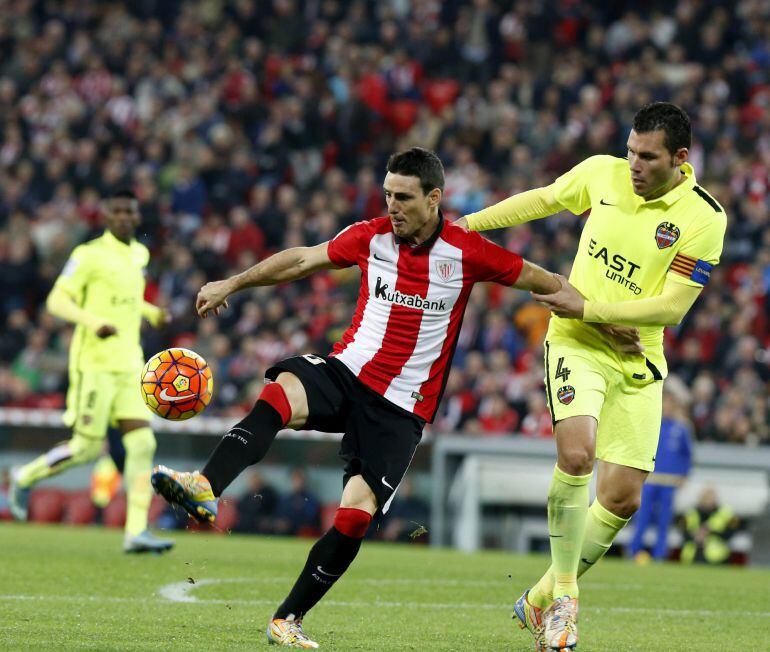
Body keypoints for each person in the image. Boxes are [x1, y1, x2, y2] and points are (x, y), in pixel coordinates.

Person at [151, 146, 571, 649]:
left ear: (434, 198)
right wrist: (233, 283)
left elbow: (546, 282)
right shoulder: (370, 236)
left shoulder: (467, 252)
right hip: (348, 372)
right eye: (388, 195)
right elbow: (302, 260)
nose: (392, 206)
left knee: (354, 516)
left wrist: (607, 321)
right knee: (282, 392)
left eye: (404, 197)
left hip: (401, 408)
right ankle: (205, 485)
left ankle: (288, 619)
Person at [456, 102, 726, 650]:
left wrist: (592, 308)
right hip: (576, 343)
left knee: (623, 497)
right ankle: (565, 602)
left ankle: (535, 600)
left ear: (679, 158)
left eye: (647, 157)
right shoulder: (601, 173)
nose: (633, 164)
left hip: (636, 358)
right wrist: (467, 226)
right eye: (629, 150)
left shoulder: (704, 219)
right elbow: (543, 199)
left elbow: (672, 308)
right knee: (577, 454)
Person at [9, 189, 174, 554]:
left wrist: (152, 313)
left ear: (136, 216)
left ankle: (136, 531)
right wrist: (92, 321)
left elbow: (128, 301)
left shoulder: (138, 253)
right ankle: (24, 475)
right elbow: (56, 299)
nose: (124, 218)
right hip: (94, 366)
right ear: (105, 216)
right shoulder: (88, 255)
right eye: (116, 212)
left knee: (143, 443)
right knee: (85, 450)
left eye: (129, 212)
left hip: (130, 365)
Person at [629, 383, 693, 563]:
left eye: (671, 404)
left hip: (670, 481)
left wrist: (684, 475)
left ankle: (659, 556)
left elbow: (687, 456)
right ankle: (633, 551)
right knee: (641, 517)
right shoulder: (650, 423)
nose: (667, 408)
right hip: (649, 479)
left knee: (664, 521)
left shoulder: (681, 428)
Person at [678, 486, 741, 564]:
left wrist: (710, 532)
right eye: (706, 497)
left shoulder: (726, 513)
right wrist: (696, 536)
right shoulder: (690, 513)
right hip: (692, 556)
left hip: (718, 557)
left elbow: (730, 533)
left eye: (711, 497)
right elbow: (683, 532)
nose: (708, 500)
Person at [273, 468, 321, 537]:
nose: (297, 482)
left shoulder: (310, 499)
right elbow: (279, 513)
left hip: (300, 529)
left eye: (299, 479)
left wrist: (291, 523)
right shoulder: (285, 498)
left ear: (304, 481)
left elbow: (311, 517)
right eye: (295, 479)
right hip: (284, 529)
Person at [234, 470, 278, 534]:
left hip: (261, 522)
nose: (253, 482)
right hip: (247, 522)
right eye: (251, 480)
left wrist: (269, 520)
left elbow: (272, 509)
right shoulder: (247, 495)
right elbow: (239, 507)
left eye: (255, 479)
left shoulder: (268, 493)